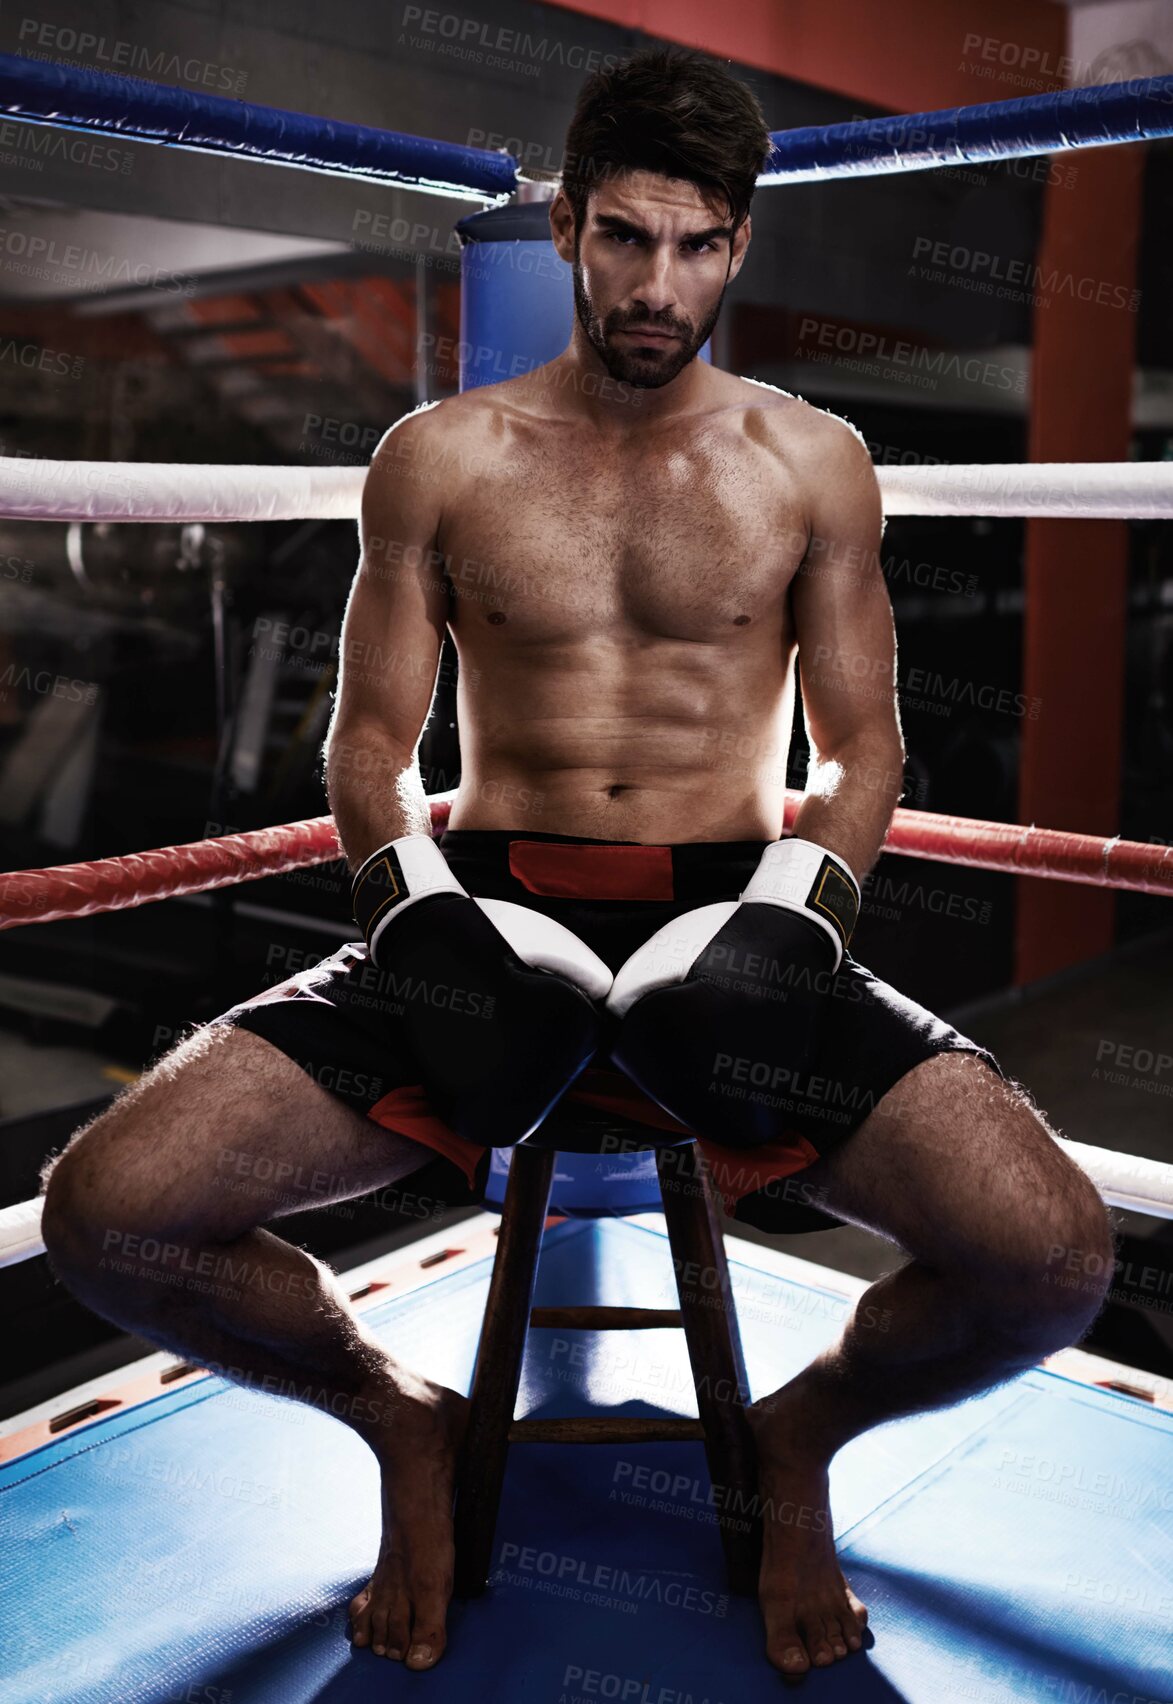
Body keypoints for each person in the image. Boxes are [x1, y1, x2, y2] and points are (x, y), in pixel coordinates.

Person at [39, 44, 1114, 1683]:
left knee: (1052, 1256)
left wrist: (793, 921)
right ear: (564, 227)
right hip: (483, 904)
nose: (653, 284)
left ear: (739, 248)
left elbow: (866, 752)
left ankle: (798, 1438)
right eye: (623, 237)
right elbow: (368, 749)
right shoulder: (441, 456)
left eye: (693, 246)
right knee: (106, 1211)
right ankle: (398, 1420)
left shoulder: (811, 461)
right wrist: (418, 916)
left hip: (738, 914)